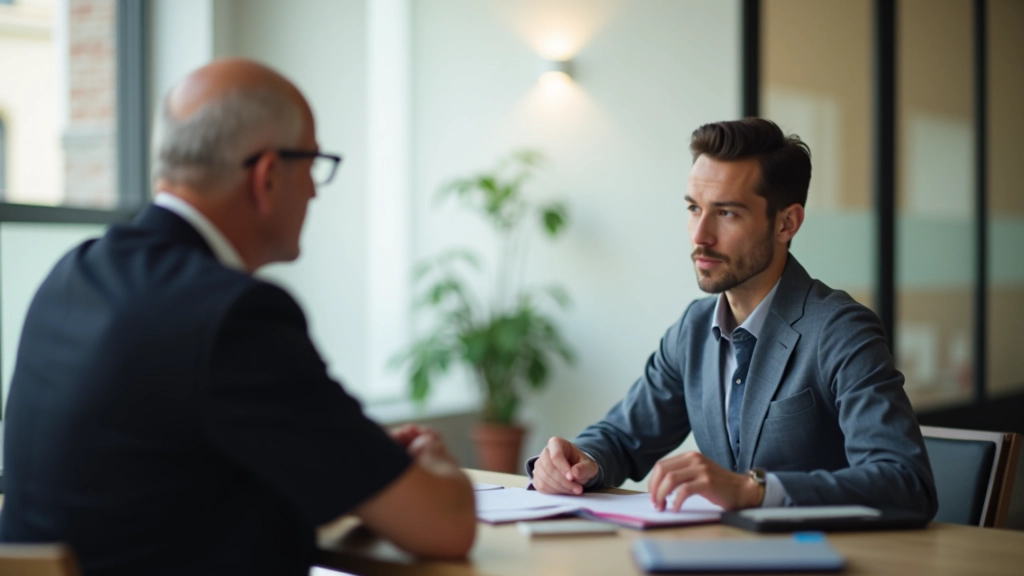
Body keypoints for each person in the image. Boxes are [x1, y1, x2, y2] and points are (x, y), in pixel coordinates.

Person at [0, 59, 475, 575]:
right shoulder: (234, 318)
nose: (316, 191)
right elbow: (445, 525)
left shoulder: (74, 274)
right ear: (268, 175)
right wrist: (430, 464)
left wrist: (352, 451)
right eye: (313, 166)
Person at [529, 118, 937, 517]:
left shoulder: (840, 330)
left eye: (726, 213)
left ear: (786, 223)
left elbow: (905, 482)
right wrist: (577, 461)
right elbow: (621, 437)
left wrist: (753, 490)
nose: (699, 235)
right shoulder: (693, 330)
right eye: (694, 208)